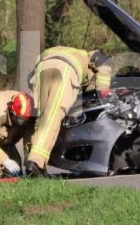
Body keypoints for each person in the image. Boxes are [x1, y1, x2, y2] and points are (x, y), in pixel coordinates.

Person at [24, 47, 112, 176]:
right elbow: (104, 75)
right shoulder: (96, 55)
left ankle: (34, 162)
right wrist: (103, 92)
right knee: (53, 115)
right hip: (65, 69)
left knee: (41, 118)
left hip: (42, 67)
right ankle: (35, 161)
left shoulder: (71, 51)